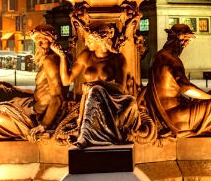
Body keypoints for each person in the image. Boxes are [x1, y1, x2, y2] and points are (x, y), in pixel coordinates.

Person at [50, 10, 153, 148]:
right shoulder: (86, 56)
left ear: (100, 40)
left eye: (90, 40)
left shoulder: (118, 59)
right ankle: (87, 135)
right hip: (88, 102)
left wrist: (97, 84)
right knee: (95, 91)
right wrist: (62, 57)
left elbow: (121, 88)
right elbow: (66, 80)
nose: (86, 43)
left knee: (98, 90)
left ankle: (87, 137)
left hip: (111, 101)